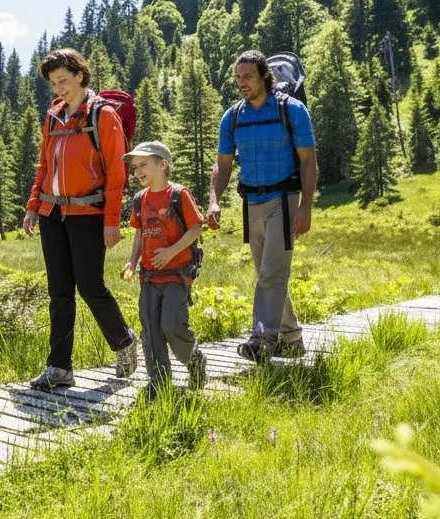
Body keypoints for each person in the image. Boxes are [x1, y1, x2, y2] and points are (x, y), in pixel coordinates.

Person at [23, 48, 138, 390]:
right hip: (52, 213)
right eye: (53, 83)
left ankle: (123, 341)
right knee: (59, 292)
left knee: (89, 286)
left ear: (80, 75)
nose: (59, 88)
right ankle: (59, 367)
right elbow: (44, 165)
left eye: (63, 80)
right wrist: (32, 205)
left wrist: (111, 220)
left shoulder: (102, 114)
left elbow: (116, 172)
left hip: (88, 213)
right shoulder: (53, 116)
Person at [206, 50, 318, 363]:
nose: (241, 82)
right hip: (251, 203)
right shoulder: (233, 117)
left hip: (284, 201)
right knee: (267, 274)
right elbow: (223, 165)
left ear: (264, 77)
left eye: (248, 77)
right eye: (238, 77)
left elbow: (309, 161)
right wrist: (214, 200)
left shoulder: (291, 110)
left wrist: (305, 207)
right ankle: (291, 338)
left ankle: (261, 340)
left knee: (271, 275)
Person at [121, 141, 207, 395]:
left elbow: (196, 228)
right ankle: (158, 382)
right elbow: (140, 233)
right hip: (149, 276)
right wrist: (132, 261)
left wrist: (171, 252)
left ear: (163, 165)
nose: (138, 171)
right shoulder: (140, 199)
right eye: (135, 167)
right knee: (150, 328)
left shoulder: (179, 194)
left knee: (172, 324)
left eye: (143, 165)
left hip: (177, 275)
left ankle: (195, 360)